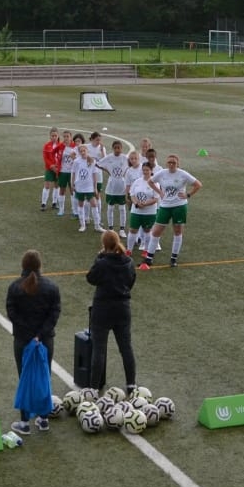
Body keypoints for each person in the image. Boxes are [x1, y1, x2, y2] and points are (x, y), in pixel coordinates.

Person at [6, 249, 61, 434]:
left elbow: (12, 313)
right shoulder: (51, 287)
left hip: (23, 340)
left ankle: (24, 423)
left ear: (23, 265)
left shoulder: (15, 287)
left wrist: (29, 334)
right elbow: (54, 314)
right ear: (39, 265)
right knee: (44, 377)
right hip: (45, 340)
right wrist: (39, 334)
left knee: (25, 379)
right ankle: (43, 419)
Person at [85, 229, 138, 397]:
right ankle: (131, 384)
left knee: (99, 349)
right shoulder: (129, 262)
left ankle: (94, 388)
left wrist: (98, 258)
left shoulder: (102, 263)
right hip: (123, 308)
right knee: (126, 347)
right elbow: (131, 281)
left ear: (104, 244)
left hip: (102, 308)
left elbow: (91, 278)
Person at [154, 154, 202, 267]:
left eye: (173, 163)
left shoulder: (183, 174)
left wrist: (188, 195)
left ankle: (173, 258)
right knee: (156, 231)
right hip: (165, 206)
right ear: (166, 163)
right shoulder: (162, 173)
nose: (171, 164)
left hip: (179, 206)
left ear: (178, 164)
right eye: (169, 162)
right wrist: (159, 192)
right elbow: (151, 181)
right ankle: (149, 257)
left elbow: (198, 185)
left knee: (178, 231)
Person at [125, 158, 162, 269]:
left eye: (147, 170)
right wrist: (136, 203)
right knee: (133, 230)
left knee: (147, 231)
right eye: (144, 170)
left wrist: (145, 204)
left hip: (149, 212)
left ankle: (146, 250)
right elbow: (132, 194)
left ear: (151, 171)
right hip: (136, 211)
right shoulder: (137, 181)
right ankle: (129, 250)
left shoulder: (155, 183)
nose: (145, 172)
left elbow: (155, 198)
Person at [40, 126, 62, 212]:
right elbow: (45, 158)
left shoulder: (61, 145)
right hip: (49, 168)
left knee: (57, 185)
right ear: (50, 136)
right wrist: (51, 166)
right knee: (47, 185)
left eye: (55, 136)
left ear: (58, 136)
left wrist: (58, 167)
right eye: (52, 136)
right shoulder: (47, 146)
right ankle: (43, 203)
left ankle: (54, 203)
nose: (54, 137)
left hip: (58, 169)